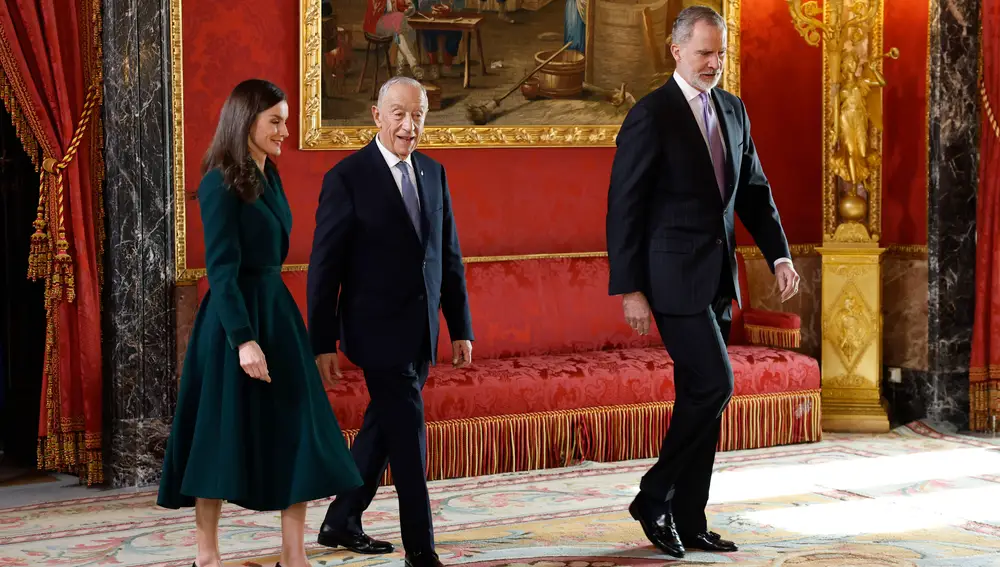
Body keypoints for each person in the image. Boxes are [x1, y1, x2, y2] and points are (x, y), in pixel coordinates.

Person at [605, 6, 800, 559]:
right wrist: (631, 289)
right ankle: (653, 496)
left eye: (721, 54)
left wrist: (779, 255)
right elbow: (624, 207)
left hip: (719, 279)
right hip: (670, 282)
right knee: (717, 385)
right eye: (704, 53)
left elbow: (754, 192)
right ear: (677, 51)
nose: (714, 63)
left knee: (700, 398)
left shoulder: (733, 110)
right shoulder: (651, 114)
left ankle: (691, 521)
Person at [157, 79, 363, 567]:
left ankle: (294, 555)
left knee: (299, 431)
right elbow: (221, 272)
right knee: (217, 436)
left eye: (285, 122)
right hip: (234, 323)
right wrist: (244, 341)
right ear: (246, 121)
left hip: (277, 313)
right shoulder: (218, 182)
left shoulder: (271, 175)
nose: (284, 131)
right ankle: (207, 557)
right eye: (275, 122)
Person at [308, 76, 474, 567]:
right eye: (398, 114)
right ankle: (420, 550)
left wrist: (460, 327)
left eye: (417, 114)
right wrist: (322, 341)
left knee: (384, 425)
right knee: (408, 436)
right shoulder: (347, 177)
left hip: (421, 330)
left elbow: (447, 256)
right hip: (375, 331)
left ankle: (341, 519)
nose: (409, 125)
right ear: (376, 116)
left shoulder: (433, 172)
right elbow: (325, 267)